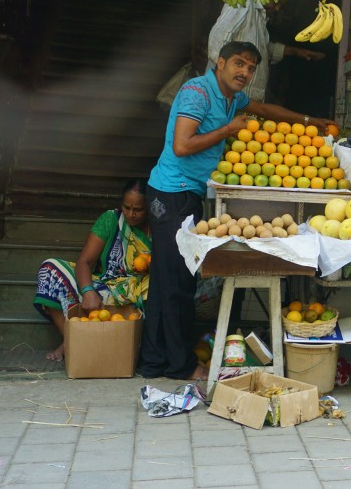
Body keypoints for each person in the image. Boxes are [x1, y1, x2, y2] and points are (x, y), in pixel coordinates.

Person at [141, 40, 333, 380]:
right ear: (221, 63)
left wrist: (308, 120)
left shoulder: (232, 97)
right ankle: (180, 366)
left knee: (167, 279)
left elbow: (264, 109)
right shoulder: (197, 93)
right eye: (239, 64)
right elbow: (182, 145)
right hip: (171, 192)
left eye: (251, 67)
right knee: (176, 283)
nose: (244, 71)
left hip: (186, 192)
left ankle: (154, 362)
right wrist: (228, 130)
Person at [33, 178, 151, 361]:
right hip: (102, 288)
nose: (131, 214)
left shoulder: (158, 229)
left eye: (138, 209)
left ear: (149, 207)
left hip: (135, 298)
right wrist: (88, 290)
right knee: (50, 270)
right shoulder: (111, 220)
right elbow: (85, 262)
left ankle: (79, 345)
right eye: (127, 207)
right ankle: (73, 342)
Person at [206, 0, 324, 102]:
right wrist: (224, 88)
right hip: (226, 98)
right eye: (276, 2)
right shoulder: (244, 3)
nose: (277, 9)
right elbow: (218, 39)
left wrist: (296, 51)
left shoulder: (261, 18)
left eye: (281, 6)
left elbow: (263, 50)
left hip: (244, 100)